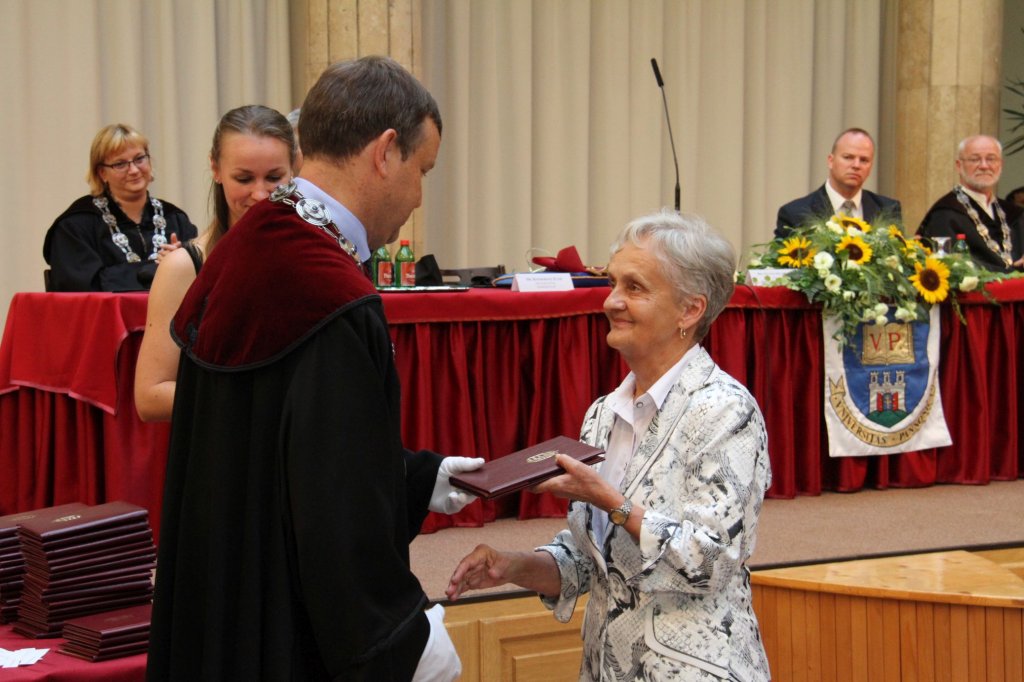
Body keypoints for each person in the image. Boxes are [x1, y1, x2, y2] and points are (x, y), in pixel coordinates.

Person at [147, 56, 484, 681]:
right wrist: (405, 642)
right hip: (286, 628)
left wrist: (417, 477)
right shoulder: (327, 291)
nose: (418, 196)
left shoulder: (249, 246)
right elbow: (334, 507)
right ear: (385, 152)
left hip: (229, 603)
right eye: (422, 171)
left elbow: (277, 448)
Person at [447, 210, 773, 681]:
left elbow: (711, 562)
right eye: (612, 282)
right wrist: (513, 567)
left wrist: (612, 502)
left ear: (690, 310)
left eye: (634, 287)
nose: (611, 301)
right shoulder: (603, 413)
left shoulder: (725, 410)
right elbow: (594, 561)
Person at [134, 105, 296, 422]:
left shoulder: (313, 258)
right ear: (216, 169)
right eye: (244, 178)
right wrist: (257, 397)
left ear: (294, 169)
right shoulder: (184, 267)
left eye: (274, 178)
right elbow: (150, 396)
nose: (260, 194)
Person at [43, 123, 197, 291]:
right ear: (102, 173)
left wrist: (183, 263)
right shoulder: (76, 226)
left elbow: (202, 278)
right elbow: (84, 286)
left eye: (139, 159)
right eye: (120, 164)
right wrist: (159, 270)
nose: (134, 170)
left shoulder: (175, 219)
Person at [917, 135, 1024, 272]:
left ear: (1000, 165)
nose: (984, 166)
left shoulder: (1013, 213)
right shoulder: (945, 214)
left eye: (991, 159)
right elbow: (947, 266)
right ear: (959, 166)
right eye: (975, 159)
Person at [775, 127, 902, 238]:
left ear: (871, 166)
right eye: (848, 157)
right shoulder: (795, 214)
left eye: (864, 160)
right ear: (831, 161)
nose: (856, 165)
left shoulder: (888, 209)